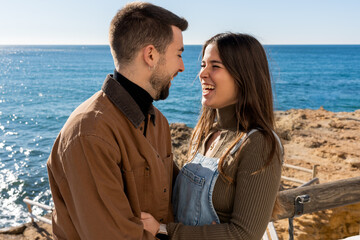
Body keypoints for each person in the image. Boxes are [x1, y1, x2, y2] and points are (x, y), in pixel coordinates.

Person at [46, 2, 187, 239]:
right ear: (151, 55)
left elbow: (171, 201)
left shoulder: (157, 121)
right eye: (179, 54)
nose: (182, 67)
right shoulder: (89, 133)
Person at [141, 32, 283, 239]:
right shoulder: (205, 133)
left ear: (243, 75)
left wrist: (164, 230)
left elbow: (245, 234)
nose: (202, 74)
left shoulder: (258, 143)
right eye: (203, 65)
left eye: (215, 66)